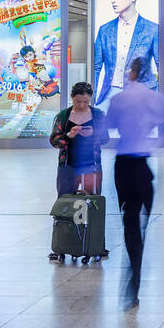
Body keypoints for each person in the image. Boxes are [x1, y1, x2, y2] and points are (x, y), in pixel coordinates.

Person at [104, 58, 164, 310]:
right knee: (140, 226)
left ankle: (131, 276)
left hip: (123, 168)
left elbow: (107, 130)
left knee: (130, 222)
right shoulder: (155, 99)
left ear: (132, 74)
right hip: (144, 171)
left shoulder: (118, 99)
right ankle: (134, 277)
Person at [48, 80, 109, 261]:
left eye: (85, 102)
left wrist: (93, 135)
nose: (82, 105)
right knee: (65, 204)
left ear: (90, 100)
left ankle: (95, 244)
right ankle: (64, 243)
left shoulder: (98, 115)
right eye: (78, 102)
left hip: (92, 166)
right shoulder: (63, 116)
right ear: (72, 99)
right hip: (68, 166)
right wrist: (68, 136)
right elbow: (54, 140)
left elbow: (105, 138)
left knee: (93, 204)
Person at [91, 0, 159, 108]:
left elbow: (160, 65)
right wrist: (91, 97)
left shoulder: (152, 29)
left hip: (140, 96)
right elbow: (96, 67)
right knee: (101, 127)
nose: (113, 0)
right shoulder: (104, 30)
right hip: (109, 94)